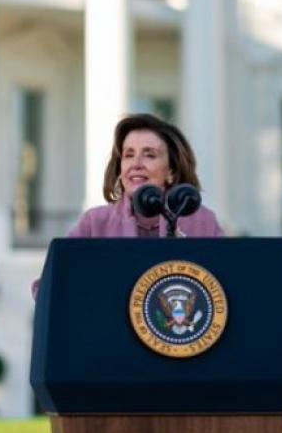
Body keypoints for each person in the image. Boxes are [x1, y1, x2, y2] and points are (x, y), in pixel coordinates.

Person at [32, 113, 223, 298]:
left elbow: (227, 283)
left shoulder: (203, 221)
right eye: (128, 155)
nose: (136, 164)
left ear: (171, 171)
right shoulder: (95, 223)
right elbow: (48, 289)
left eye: (149, 155)